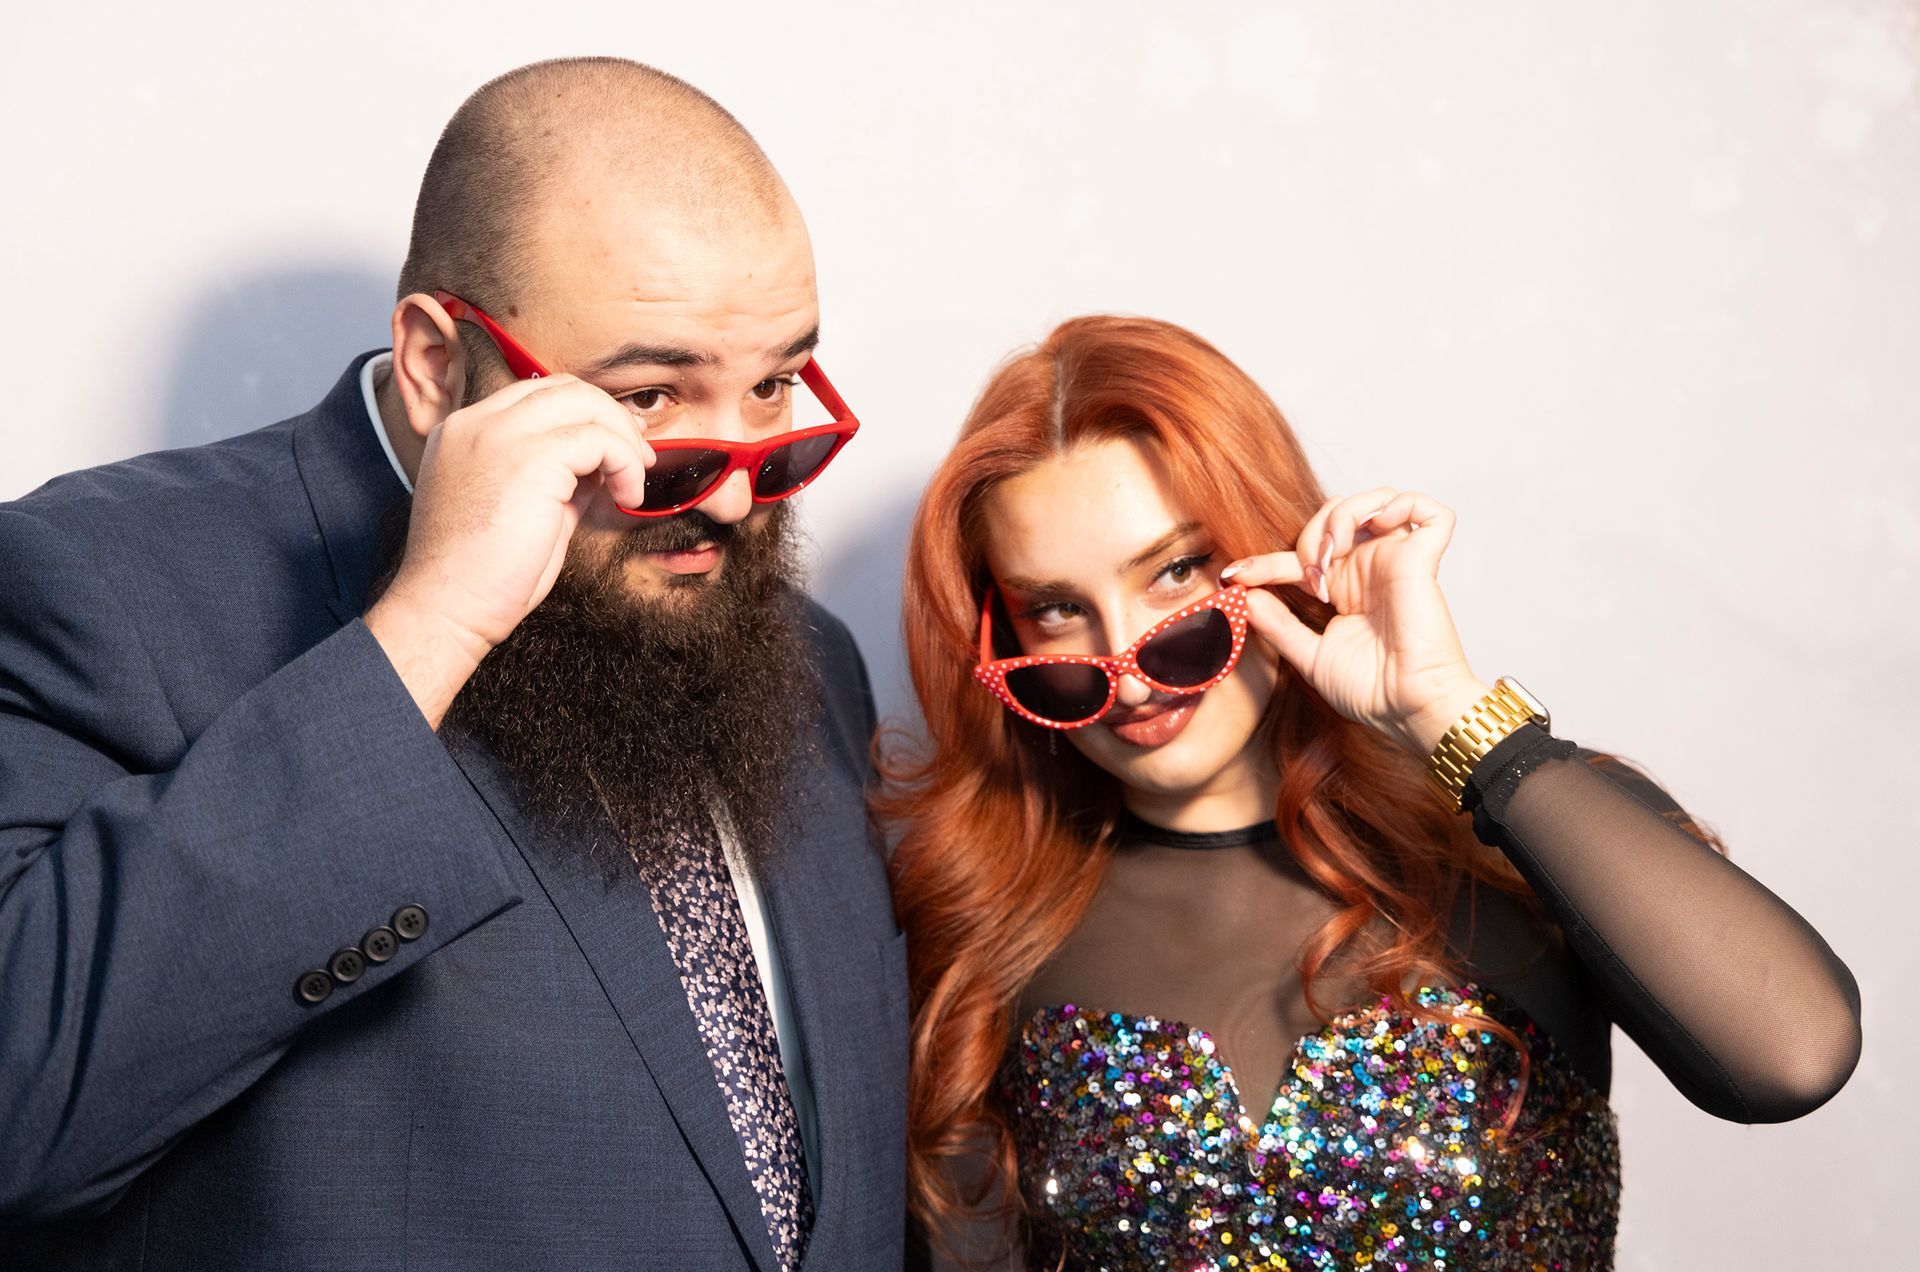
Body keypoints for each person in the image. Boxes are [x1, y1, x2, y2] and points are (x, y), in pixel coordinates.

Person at [0, 58, 906, 1271]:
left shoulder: (812, 664)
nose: (740, 489)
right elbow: (20, 1113)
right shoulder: (101, 585)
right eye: (650, 395)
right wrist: (427, 629)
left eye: (776, 385)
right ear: (436, 364)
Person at [886, 315, 1861, 1270]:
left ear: (1274, 548)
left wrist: (1446, 712)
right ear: (1003, 640)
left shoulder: (1530, 834)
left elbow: (1792, 1057)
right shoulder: (983, 929)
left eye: (1175, 572)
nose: (1130, 668)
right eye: (1058, 608)